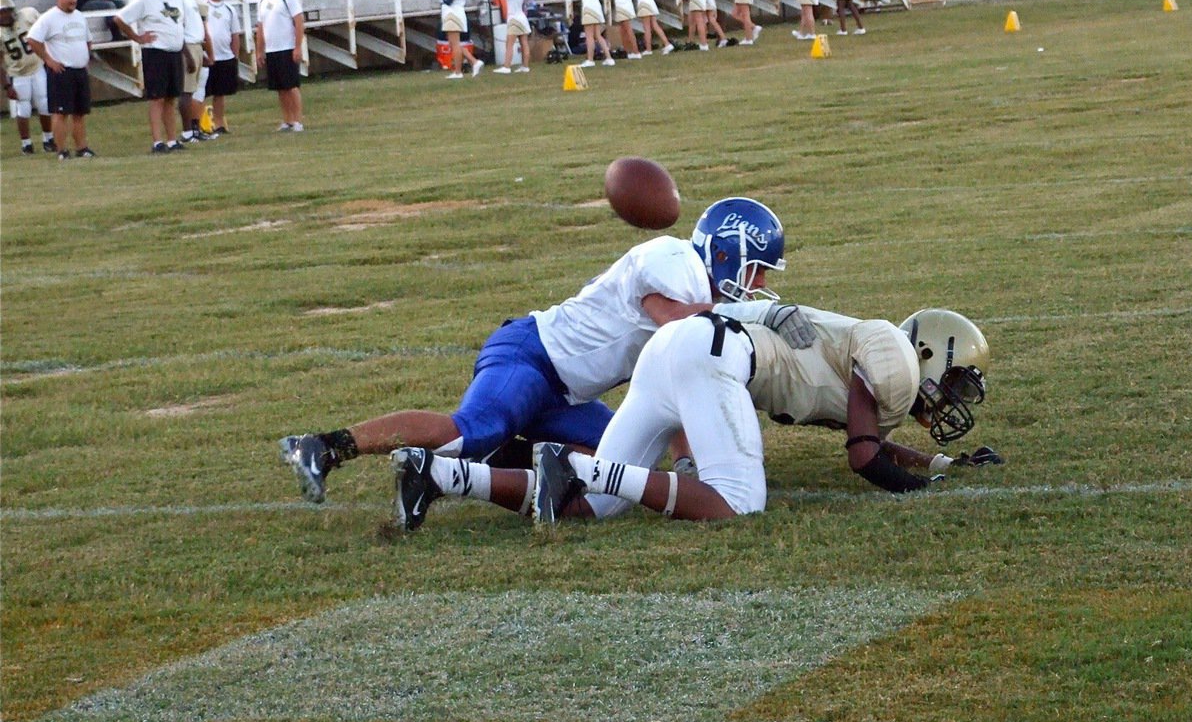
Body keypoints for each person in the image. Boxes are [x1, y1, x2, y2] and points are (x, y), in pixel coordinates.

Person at [282, 196, 811, 512]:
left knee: (612, 468)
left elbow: (674, 395)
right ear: (726, 252)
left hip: (566, 390)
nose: (758, 283)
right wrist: (748, 318)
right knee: (474, 426)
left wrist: (688, 463)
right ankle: (324, 447)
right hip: (532, 355)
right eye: (756, 269)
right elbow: (665, 313)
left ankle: (436, 474)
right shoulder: (675, 260)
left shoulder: (698, 303)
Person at [394, 306, 1001, 528]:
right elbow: (864, 456)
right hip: (712, 355)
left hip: (679, 349)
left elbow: (869, 437)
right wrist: (925, 487)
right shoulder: (892, 357)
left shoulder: (878, 371)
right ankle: (585, 469)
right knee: (738, 500)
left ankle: (441, 476)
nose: (950, 402)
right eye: (953, 384)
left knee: (592, 508)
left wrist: (943, 461)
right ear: (925, 354)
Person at [113, 0, 188, 153]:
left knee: (171, 98)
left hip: (174, 53)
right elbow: (120, 18)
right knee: (157, 98)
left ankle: (172, 140)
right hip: (156, 52)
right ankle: (158, 141)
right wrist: (137, 38)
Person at [26, 0, 93, 159]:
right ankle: (61, 150)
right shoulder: (49, 18)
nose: (73, 0)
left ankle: (82, 147)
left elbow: (87, 39)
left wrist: (87, 56)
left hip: (79, 70)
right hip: (62, 71)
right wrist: (49, 60)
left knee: (80, 112)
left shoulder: (79, 16)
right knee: (60, 112)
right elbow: (33, 39)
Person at [0, 0, 56, 154]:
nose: (4, 16)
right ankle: (26, 144)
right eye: (0, 13)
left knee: (45, 103)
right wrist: (6, 85)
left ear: (13, 11)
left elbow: (45, 31)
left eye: (6, 12)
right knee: (23, 108)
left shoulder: (28, 15)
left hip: (38, 67)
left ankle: (48, 139)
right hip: (18, 74)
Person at [255, 0, 305, 130]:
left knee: (291, 86)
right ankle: (287, 119)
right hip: (272, 49)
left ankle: (297, 120)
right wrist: (259, 50)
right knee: (280, 88)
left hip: (287, 47)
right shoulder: (261, 0)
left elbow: (298, 21)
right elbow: (261, 27)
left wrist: (297, 47)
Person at [172, 0, 215, 143]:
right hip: (187, 45)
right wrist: (188, 54)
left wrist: (202, 50)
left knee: (194, 91)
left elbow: (196, 25)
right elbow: (176, 27)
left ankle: (195, 129)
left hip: (196, 44)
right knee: (186, 92)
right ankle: (188, 132)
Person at [432, 0, 483, 79]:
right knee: (454, 43)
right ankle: (473, 62)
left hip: (452, 14)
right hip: (455, 14)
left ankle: (459, 71)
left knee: (454, 44)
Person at [202, 0, 241, 134]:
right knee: (201, 94)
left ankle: (219, 124)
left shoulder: (230, 9)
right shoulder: (201, 7)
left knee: (220, 94)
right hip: (206, 57)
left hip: (225, 56)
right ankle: (200, 125)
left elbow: (235, 35)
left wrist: (235, 56)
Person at [492, 0, 531, 73]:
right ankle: (525, 66)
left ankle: (507, 66)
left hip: (514, 18)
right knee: (524, 42)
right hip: (521, 17)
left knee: (509, 43)